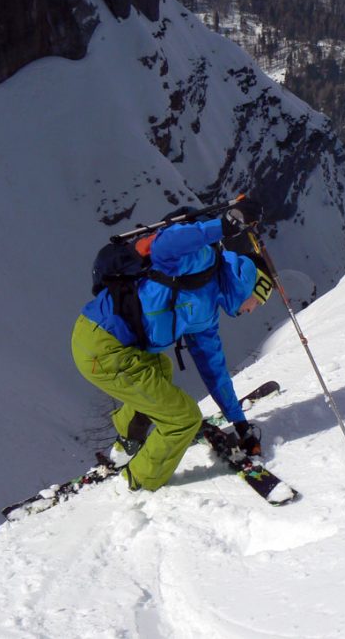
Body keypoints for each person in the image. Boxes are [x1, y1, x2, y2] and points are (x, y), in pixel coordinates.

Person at [71, 199, 274, 491]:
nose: (254, 309)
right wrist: (224, 226)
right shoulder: (203, 262)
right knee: (184, 418)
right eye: (259, 300)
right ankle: (138, 481)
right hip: (102, 348)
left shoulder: (205, 314)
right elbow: (165, 244)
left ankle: (129, 438)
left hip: (105, 341)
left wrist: (240, 424)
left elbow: (215, 372)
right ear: (253, 284)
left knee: (161, 368)